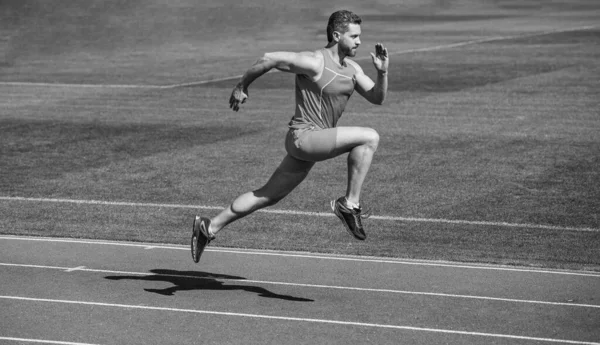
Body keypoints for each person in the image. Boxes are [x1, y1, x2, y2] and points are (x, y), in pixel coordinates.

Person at [192, 9, 389, 263]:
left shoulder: (352, 68)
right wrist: (243, 85)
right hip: (305, 137)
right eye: (354, 36)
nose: (359, 42)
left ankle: (209, 228)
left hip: (312, 143)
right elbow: (269, 58)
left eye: (360, 36)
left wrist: (382, 73)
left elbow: (377, 98)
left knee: (267, 195)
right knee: (369, 137)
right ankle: (349, 205)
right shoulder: (314, 62)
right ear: (337, 35)